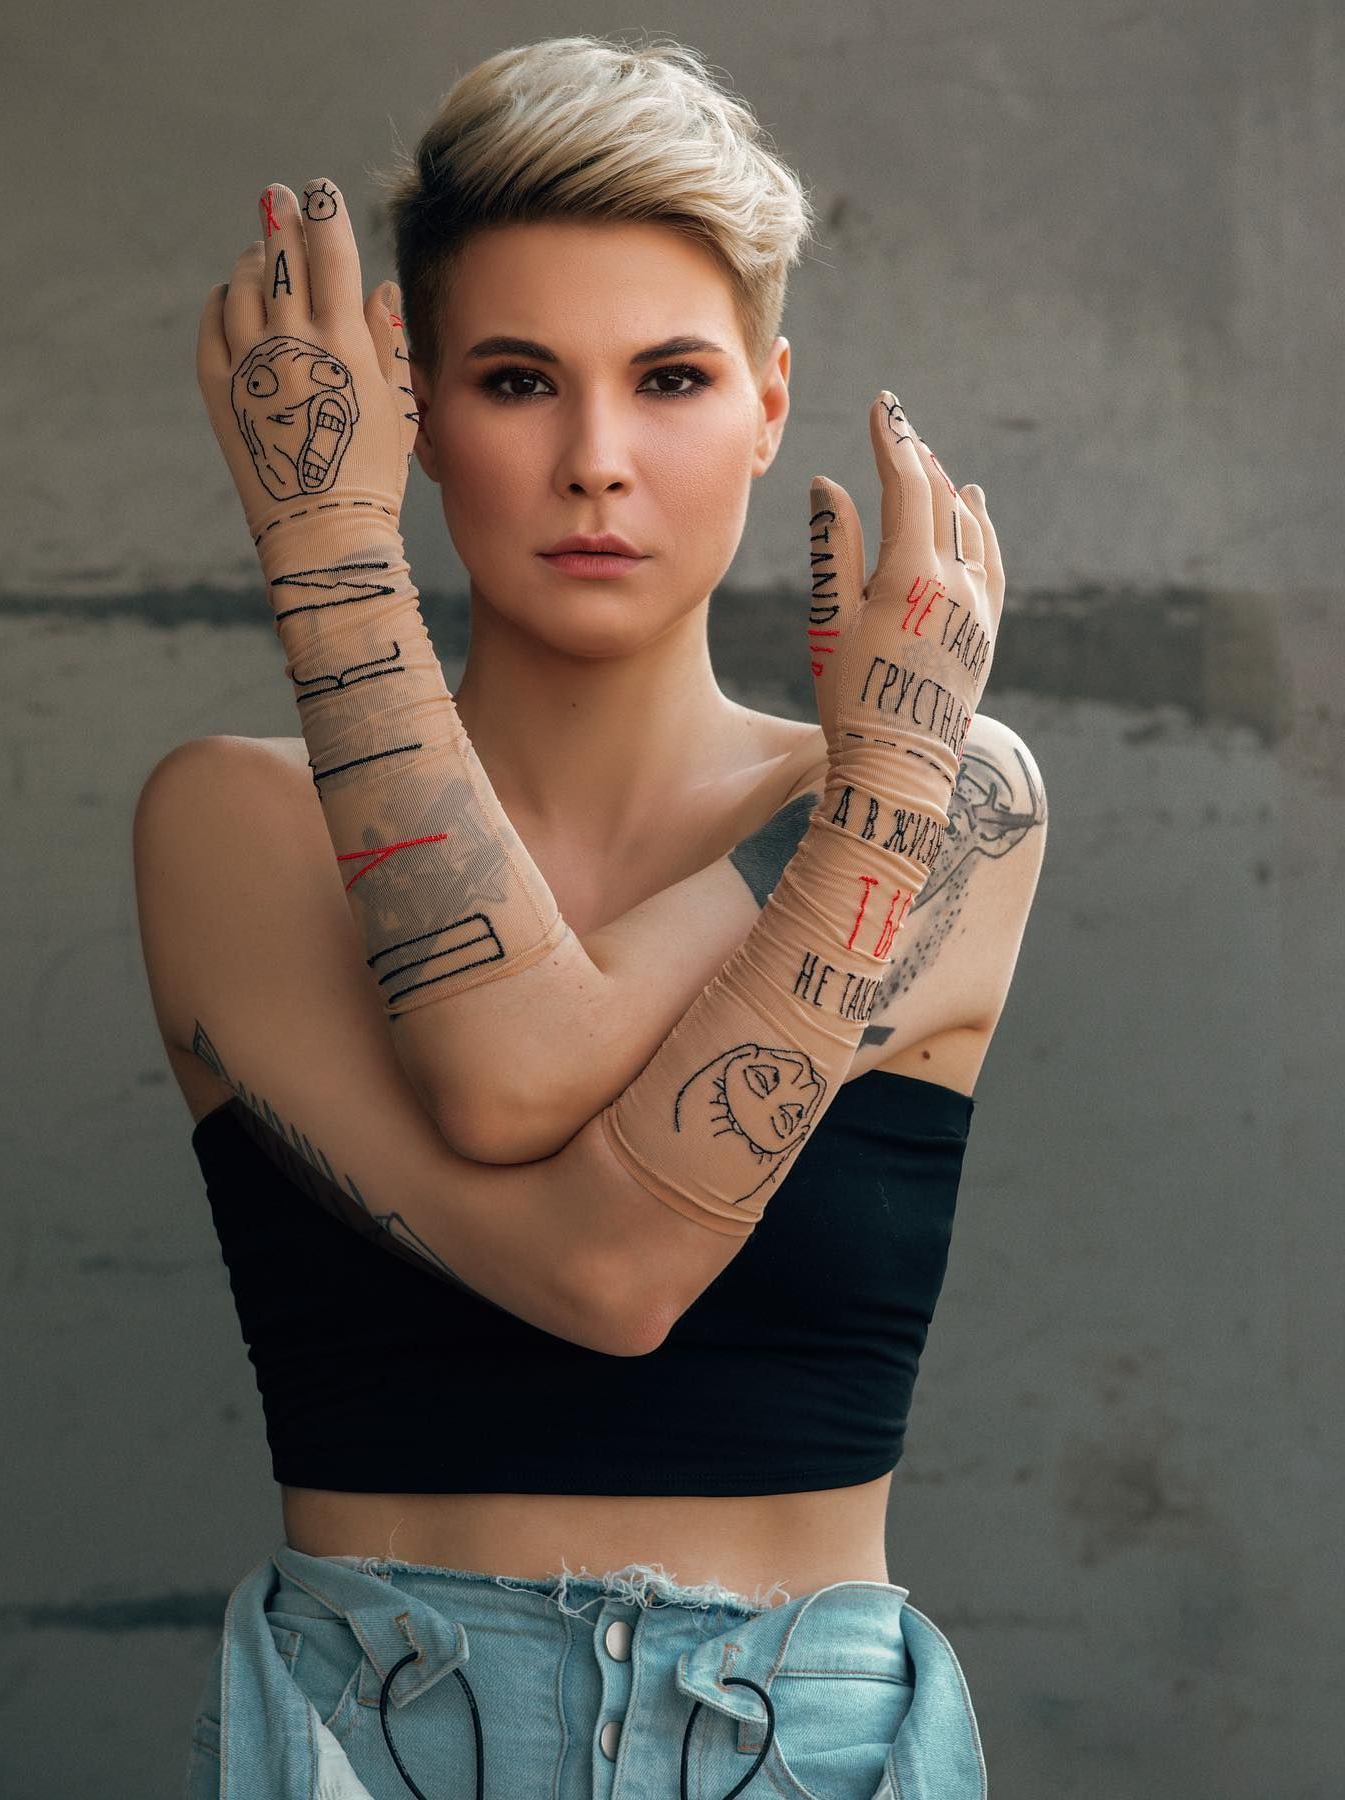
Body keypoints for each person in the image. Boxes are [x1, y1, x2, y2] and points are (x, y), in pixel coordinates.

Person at [134, 33, 1046, 1799]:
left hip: (804, 1747)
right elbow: (552, 1175)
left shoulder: (960, 794)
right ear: (412, 412)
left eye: (674, 378)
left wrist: (877, 800)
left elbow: (610, 1253)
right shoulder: (234, 824)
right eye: (517, 380)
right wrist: (333, 559)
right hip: (369, 1730)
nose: (597, 460)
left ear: (769, 405)